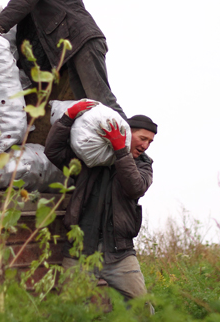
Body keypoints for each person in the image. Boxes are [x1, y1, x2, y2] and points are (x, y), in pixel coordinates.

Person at [0, 0, 126, 120]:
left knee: (102, 102)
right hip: (71, 51)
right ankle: (118, 145)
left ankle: (135, 144)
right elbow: (27, 29)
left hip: (82, 40)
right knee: (91, 111)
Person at [44, 100, 157, 307]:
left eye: (150, 142)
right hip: (80, 251)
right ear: (126, 132)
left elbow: (135, 187)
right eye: (142, 139)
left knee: (143, 308)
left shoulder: (144, 166)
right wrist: (67, 118)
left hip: (119, 254)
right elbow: (54, 152)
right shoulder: (91, 159)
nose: (145, 146)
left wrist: (121, 152)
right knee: (71, 309)